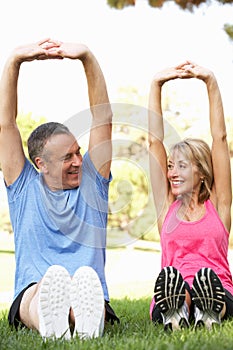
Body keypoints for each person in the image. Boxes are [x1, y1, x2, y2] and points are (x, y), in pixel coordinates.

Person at [0, 38, 119, 340]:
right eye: (68, 157)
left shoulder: (92, 183)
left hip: (87, 288)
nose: (80, 161)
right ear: (41, 163)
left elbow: (103, 117)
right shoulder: (23, 185)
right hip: (35, 289)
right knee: (38, 296)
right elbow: (5, 125)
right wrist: (14, 59)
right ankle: (53, 318)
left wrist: (87, 57)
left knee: (83, 286)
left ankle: (82, 316)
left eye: (78, 152)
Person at [148, 61, 233, 331]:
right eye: (170, 166)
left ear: (202, 173)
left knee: (207, 283)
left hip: (217, 286)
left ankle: (205, 309)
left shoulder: (219, 206)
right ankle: (181, 307)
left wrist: (210, 81)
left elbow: (219, 138)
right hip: (174, 286)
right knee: (178, 283)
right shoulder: (167, 208)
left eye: (181, 166)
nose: (171, 173)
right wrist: (156, 84)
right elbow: (154, 142)